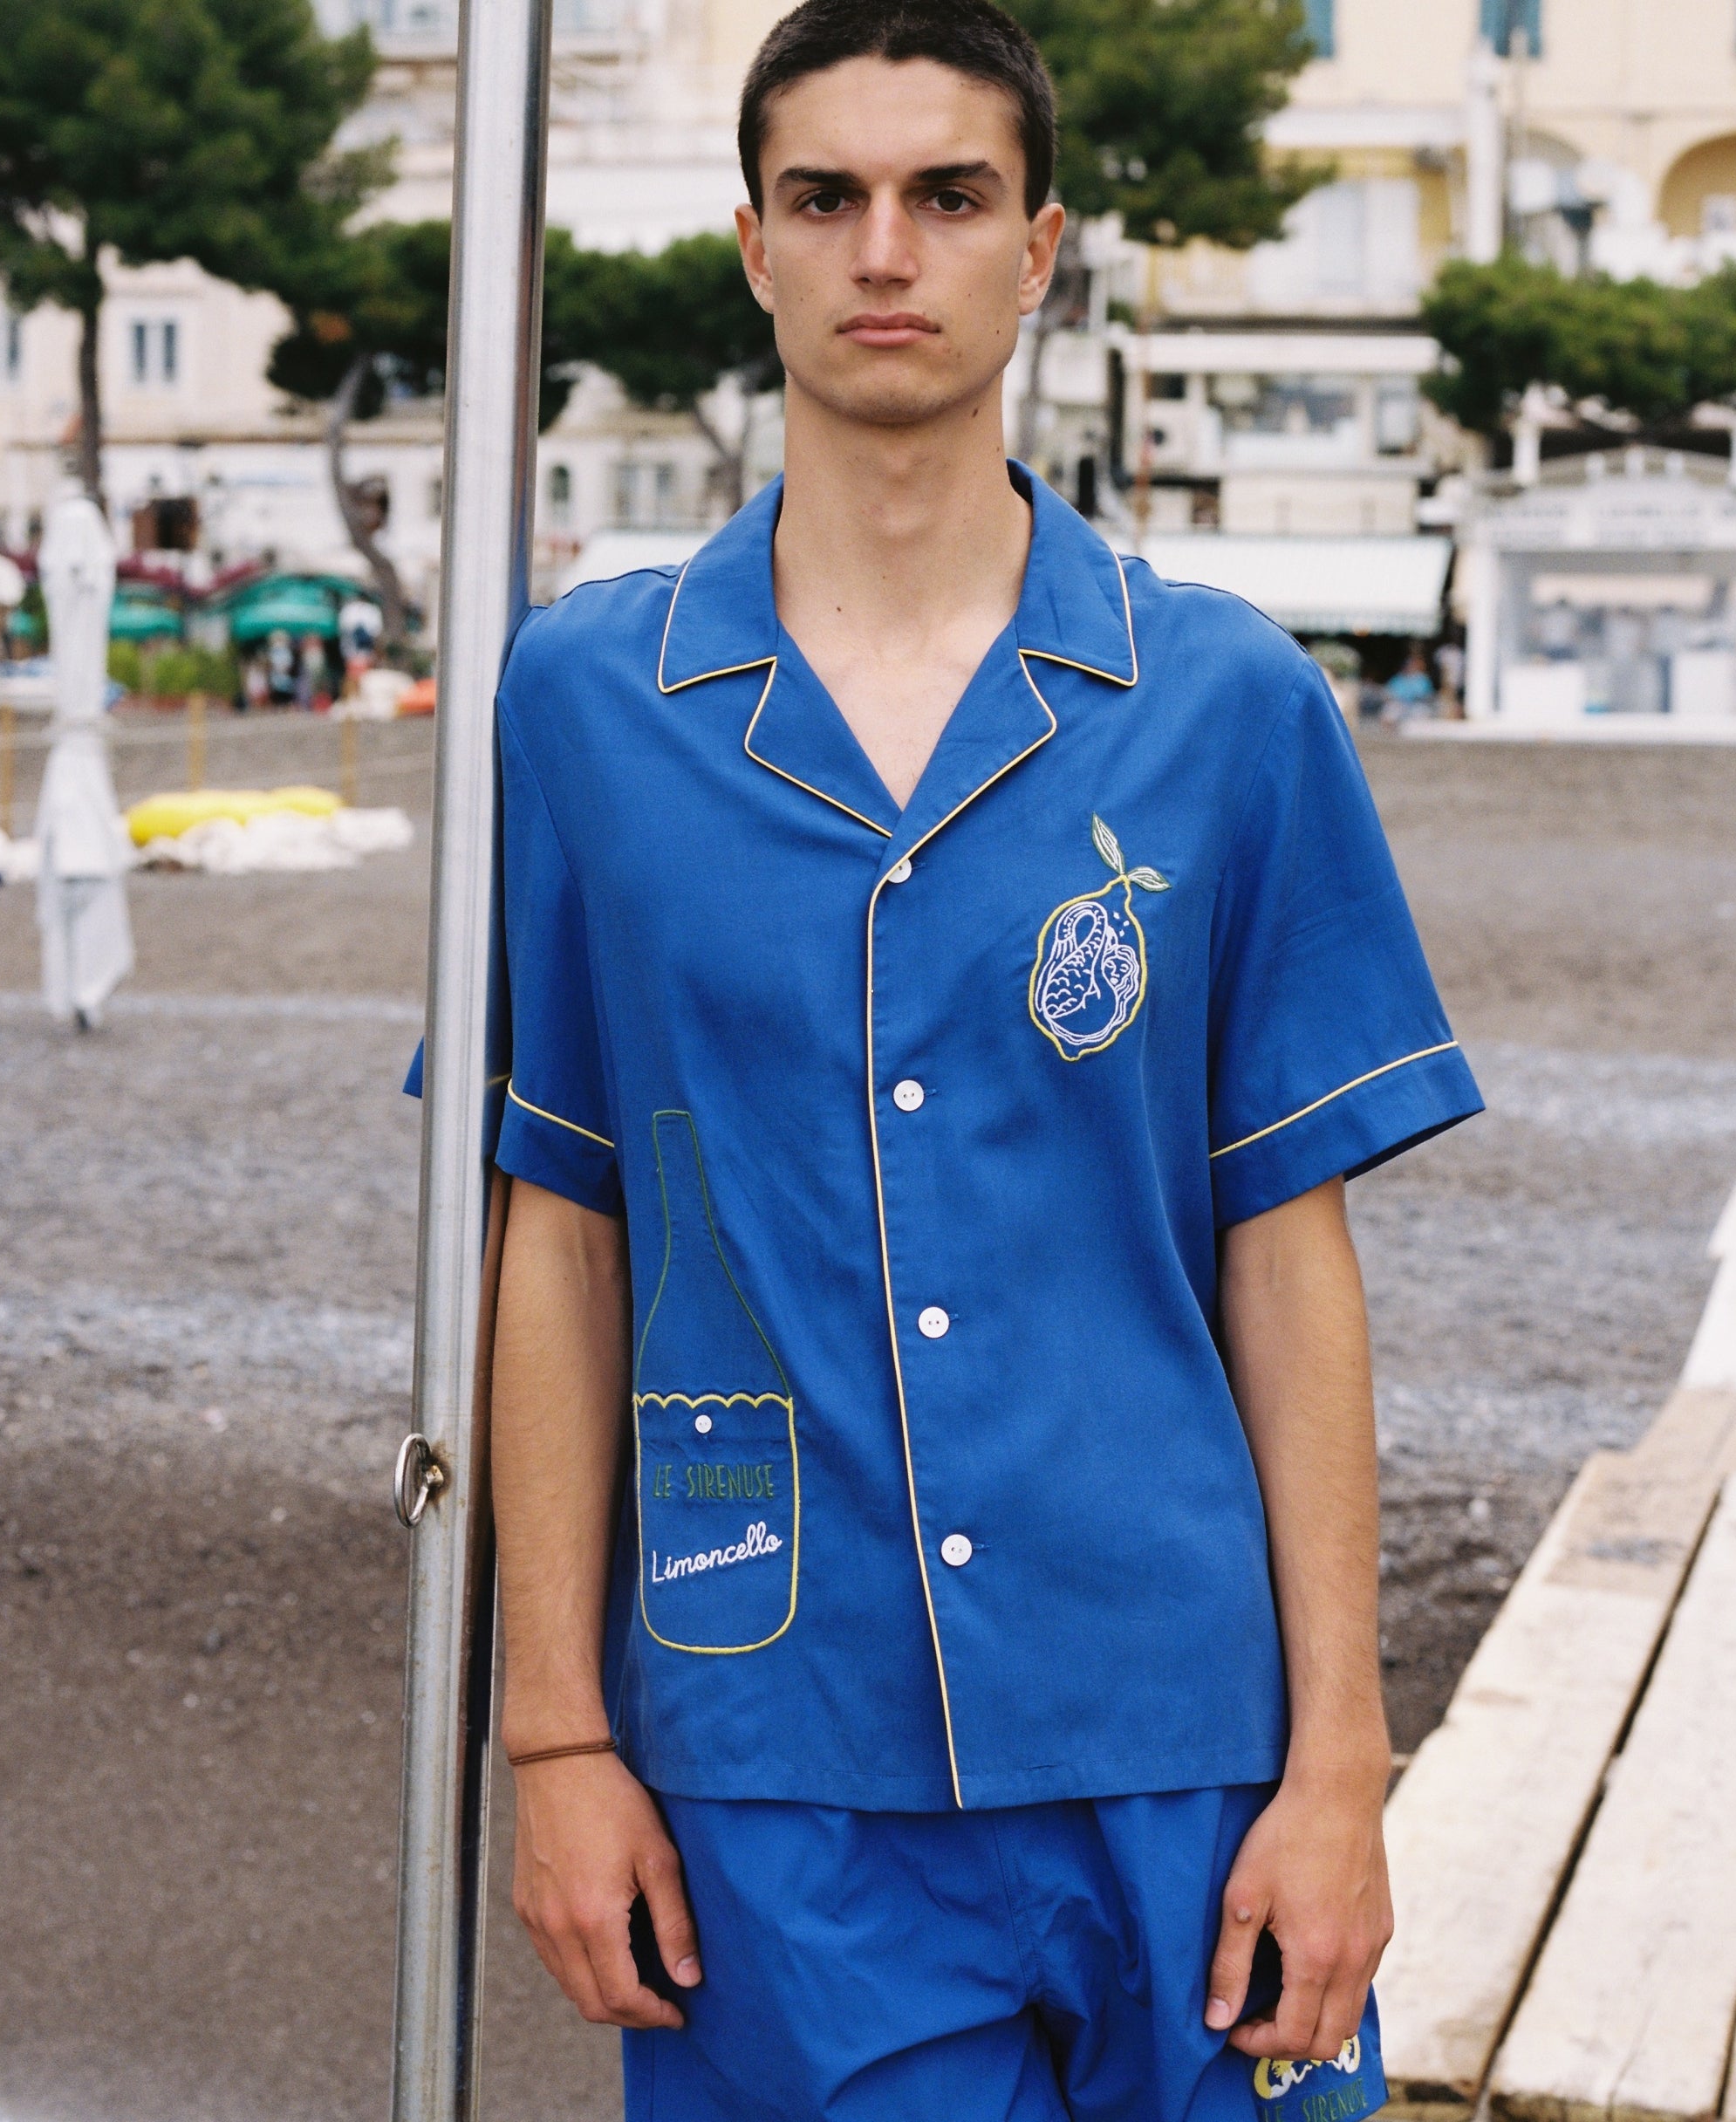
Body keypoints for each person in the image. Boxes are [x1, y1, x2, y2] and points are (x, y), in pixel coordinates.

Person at [466, 5, 1483, 2116]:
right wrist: (555, 1737)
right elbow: (557, 1232)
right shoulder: (585, 707)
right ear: (752, 246)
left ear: (1042, 251)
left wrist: (1339, 1766)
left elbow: (1283, 1260)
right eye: (825, 199)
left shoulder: (1224, 705)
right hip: (776, 1763)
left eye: (947, 197)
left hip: (1182, 1739)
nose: (883, 252)